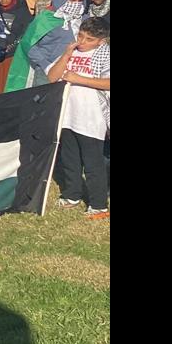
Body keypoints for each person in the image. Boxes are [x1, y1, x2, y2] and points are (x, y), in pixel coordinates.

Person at [49, 16, 110, 218]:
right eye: (80, 36)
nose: (82, 42)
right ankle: (71, 194)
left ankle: (98, 204)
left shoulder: (105, 54)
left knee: (93, 163)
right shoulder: (73, 51)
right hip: (68, 115)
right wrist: (66, 55)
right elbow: (52, 77)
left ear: (101, 40)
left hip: (91, 118)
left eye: (89, 39)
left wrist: (78, 78)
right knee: (69, 158)